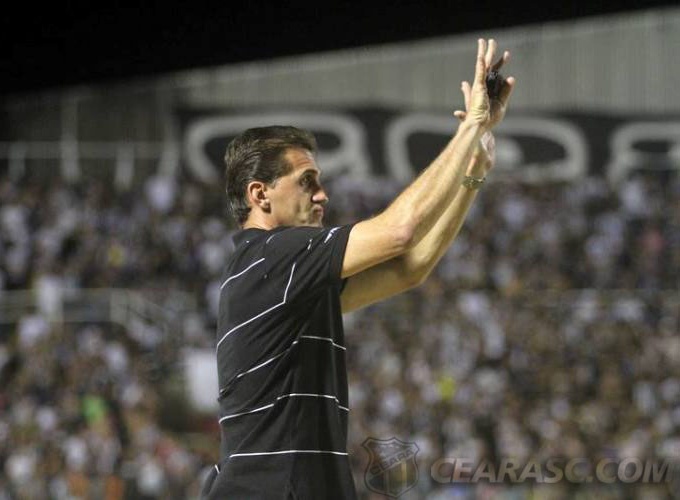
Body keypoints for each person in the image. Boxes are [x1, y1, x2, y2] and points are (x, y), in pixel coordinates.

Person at [201, 38, 515, 499]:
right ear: (259, 194)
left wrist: (473, 172)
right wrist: (470, 127)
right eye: (306, 181)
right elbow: (400, 231)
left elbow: (409, 269)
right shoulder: (273, 256)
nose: (322, 195)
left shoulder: (282, 277)